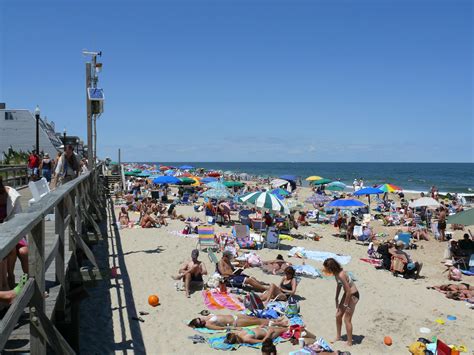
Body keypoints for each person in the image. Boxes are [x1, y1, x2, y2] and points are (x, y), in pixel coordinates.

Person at [323, 258, 359, 347]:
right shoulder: (336, 274)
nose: (325, 270)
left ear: (331, 267)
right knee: (338, 315)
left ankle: (350, 342)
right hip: (347, 294)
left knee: (347, 319)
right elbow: (339, 285)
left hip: (353, 295)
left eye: (326, 268)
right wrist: (336, 298)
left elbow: (349, 291)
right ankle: (338, 336)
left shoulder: (341, 274)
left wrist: (346, 304)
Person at [0, 177, 28, 288]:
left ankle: (31, 284)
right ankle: (10, 278)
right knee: (9, 249)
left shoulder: (12, 195)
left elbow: (19, 218)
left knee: (24, 252)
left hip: (14, 231)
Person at [188, 313, 288, 330]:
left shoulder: (206, 318)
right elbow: (221, 328)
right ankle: (280, 324)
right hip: (235, 323)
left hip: (235, 316)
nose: (201, 321)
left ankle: (275, 320)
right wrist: (234, 328)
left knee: (254, 318)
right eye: (200, 323)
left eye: (199, 319)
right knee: (257, 321)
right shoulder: (208, 324)